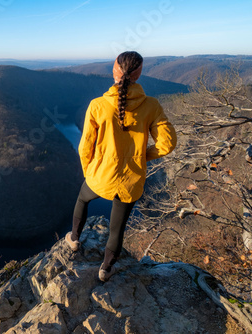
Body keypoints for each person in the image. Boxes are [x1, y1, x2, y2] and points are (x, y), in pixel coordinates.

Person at [65, 51, 177, 282]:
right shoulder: (151, 106)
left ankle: (74, 239)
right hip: (131, 180)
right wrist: (140, 157)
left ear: (114, 71)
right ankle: (105, 269)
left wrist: (90, 172)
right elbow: (167, 144)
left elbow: (85, 148)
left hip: (100, 176)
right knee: (117, 229)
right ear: (139, 74)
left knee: (82, 199)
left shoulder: (98, 105)